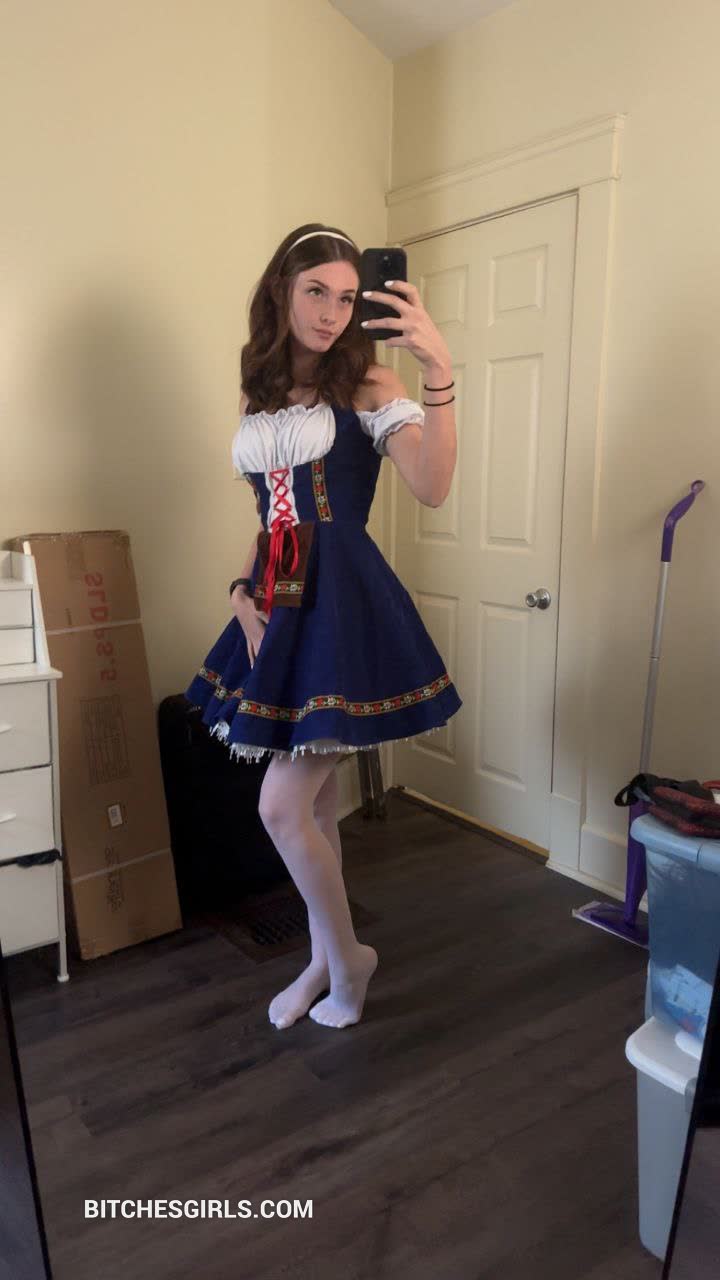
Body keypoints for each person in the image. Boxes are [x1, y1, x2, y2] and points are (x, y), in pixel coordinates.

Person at [184, 222, 462, 1030]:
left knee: (281, 810)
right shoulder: (257, 389)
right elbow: (270, 519)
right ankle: (322, 959)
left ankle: (349, 963)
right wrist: (241, 591)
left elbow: (433, 485)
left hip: (342, 603)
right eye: (316, 292)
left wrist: (439, 371)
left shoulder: (372, 384)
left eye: (346, 297)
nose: (332, 313)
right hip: (277, 603)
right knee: (314, 807)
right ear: (282, 290)